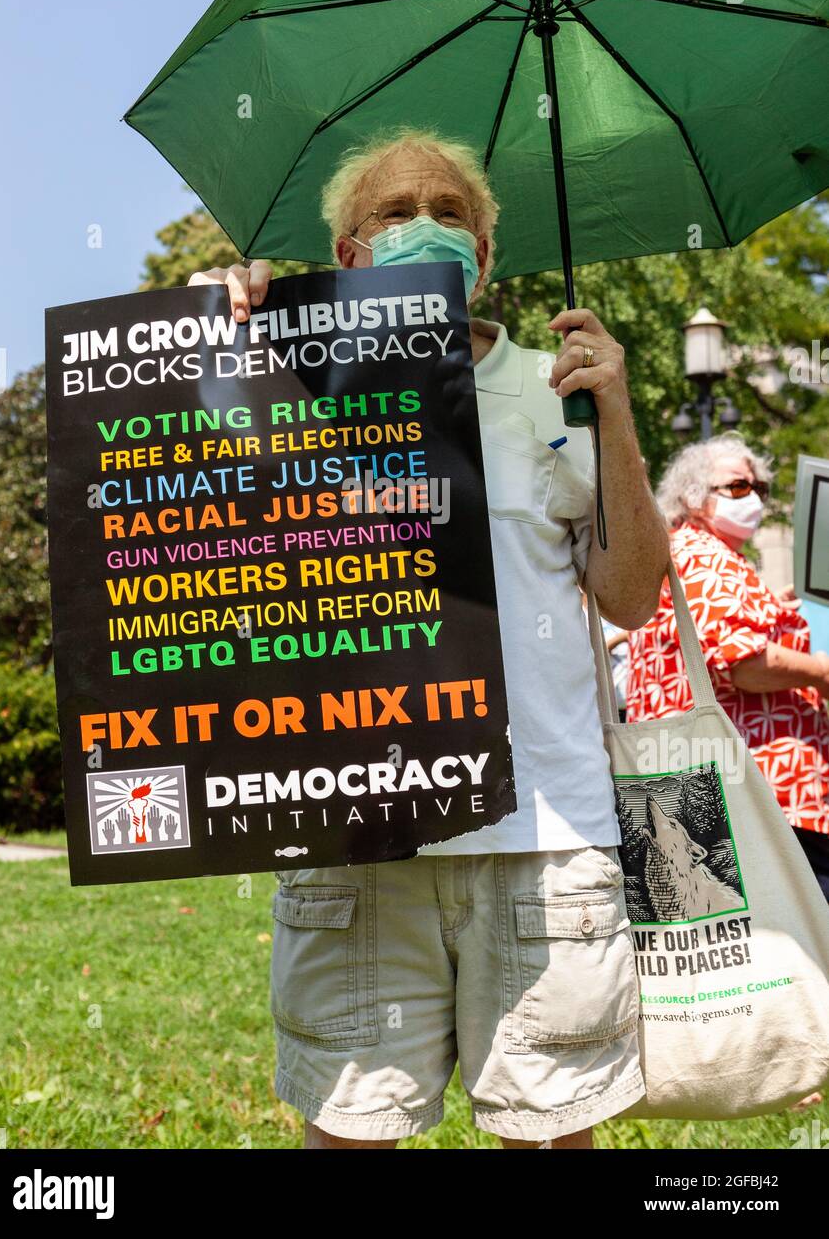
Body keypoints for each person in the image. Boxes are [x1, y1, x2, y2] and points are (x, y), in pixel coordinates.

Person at [189, 129, 669, 1149]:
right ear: (348, 252)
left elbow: (627, 597)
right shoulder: (282, 372)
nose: (425, 225)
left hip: (539, 841)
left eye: (452, 213)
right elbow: (209, 539)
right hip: (361, 831)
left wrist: (614, 408)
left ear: (484, 255)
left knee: (550, 1130)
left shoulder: (558, 386)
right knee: (350, 1131)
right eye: (394, 212)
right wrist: (211, 337)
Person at [627, 432, 829, 902]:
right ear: (694, 495)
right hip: (755, 796)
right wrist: (819, 671)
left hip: (717, 793)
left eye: (759, 488)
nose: (754, 497)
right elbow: (745, 663)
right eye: (738, 487)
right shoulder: (701, 558)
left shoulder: (706, 557)